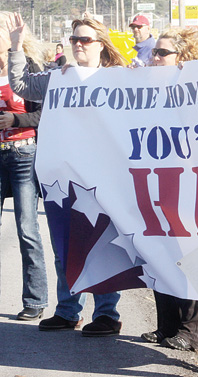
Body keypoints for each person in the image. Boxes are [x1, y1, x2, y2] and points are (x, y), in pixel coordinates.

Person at [7, 13, 126, 336]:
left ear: (101, 45)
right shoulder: (60, 76)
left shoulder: (120, 77)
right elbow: (23, 86)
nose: (77, 45)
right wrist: (16, 48)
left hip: (104, 176)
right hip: (65, 176)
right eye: (74, 40)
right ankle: (67, 310)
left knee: (103, 243)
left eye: (84, 40)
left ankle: (106, 314)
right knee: (66, 243)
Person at [139, 28, 198, 352]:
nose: (155, 58)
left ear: (182, 58)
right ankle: (166, 325)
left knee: (189, 255)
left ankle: (190, 330)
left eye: (163, 53)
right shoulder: (149, 89)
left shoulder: (194, 90)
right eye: (154, 52)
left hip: (189, 182)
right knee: (160, 254)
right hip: (156, 181)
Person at [0, 10, 47, 321]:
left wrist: (15, 119)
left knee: (27, 230)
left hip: (23, 153)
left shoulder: (28, 68)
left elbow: (45, 115)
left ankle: (35, 300)